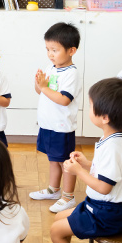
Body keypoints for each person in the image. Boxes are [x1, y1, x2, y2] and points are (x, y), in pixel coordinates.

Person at [34, 78, 122, 243]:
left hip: (108, 213)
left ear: (105, 117)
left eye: (91, 106)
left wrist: (77, 172)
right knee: (59, 219)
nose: (88, 108)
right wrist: (86, 164)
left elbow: (104, 187)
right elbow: (109, 174)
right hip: (106, 208)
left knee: (56, 231)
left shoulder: (112, 147)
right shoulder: (117, 138)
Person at [29, 22, 82, 213]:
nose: (50, 54)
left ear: (71, 51)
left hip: (62, 127)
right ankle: (54, 189)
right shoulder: (51, 67)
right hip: (48, 124)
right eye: (48, 49)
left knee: (65, 162)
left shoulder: (71, 74)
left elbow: (63, 99)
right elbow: (41, 92)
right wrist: (39, 83)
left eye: (54, 50)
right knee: (53, 159)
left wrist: (44, 87)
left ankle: (68, 196)